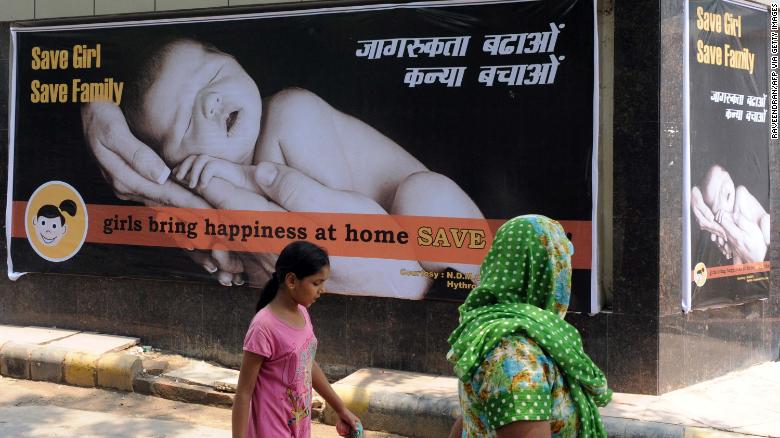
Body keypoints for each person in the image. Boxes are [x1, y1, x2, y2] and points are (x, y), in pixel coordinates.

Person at [446, 215, 611, 438]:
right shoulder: (516, 358)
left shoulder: (501, 333)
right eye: (562, 264)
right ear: (546, 274)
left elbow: (473, 415)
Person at [232, 240, 361, 438]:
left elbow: (307, 363)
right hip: (271, 430)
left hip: (299, 426)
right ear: (291, 281)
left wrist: (340, 408)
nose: (322, 290)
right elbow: (243, 394)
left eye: (323, 282)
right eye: (316, 283)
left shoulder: (302, 313)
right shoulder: (263, 327)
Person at [690, 165, 769, 264]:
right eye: (716, 197)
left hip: (764, 226)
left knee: (766, 222)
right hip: (752, 255)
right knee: (735, 260)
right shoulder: (720, 222)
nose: (723, 189)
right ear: (714, 213)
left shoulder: (740, 192)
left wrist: (728, 217)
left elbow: (736, 216)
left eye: (723, 178)